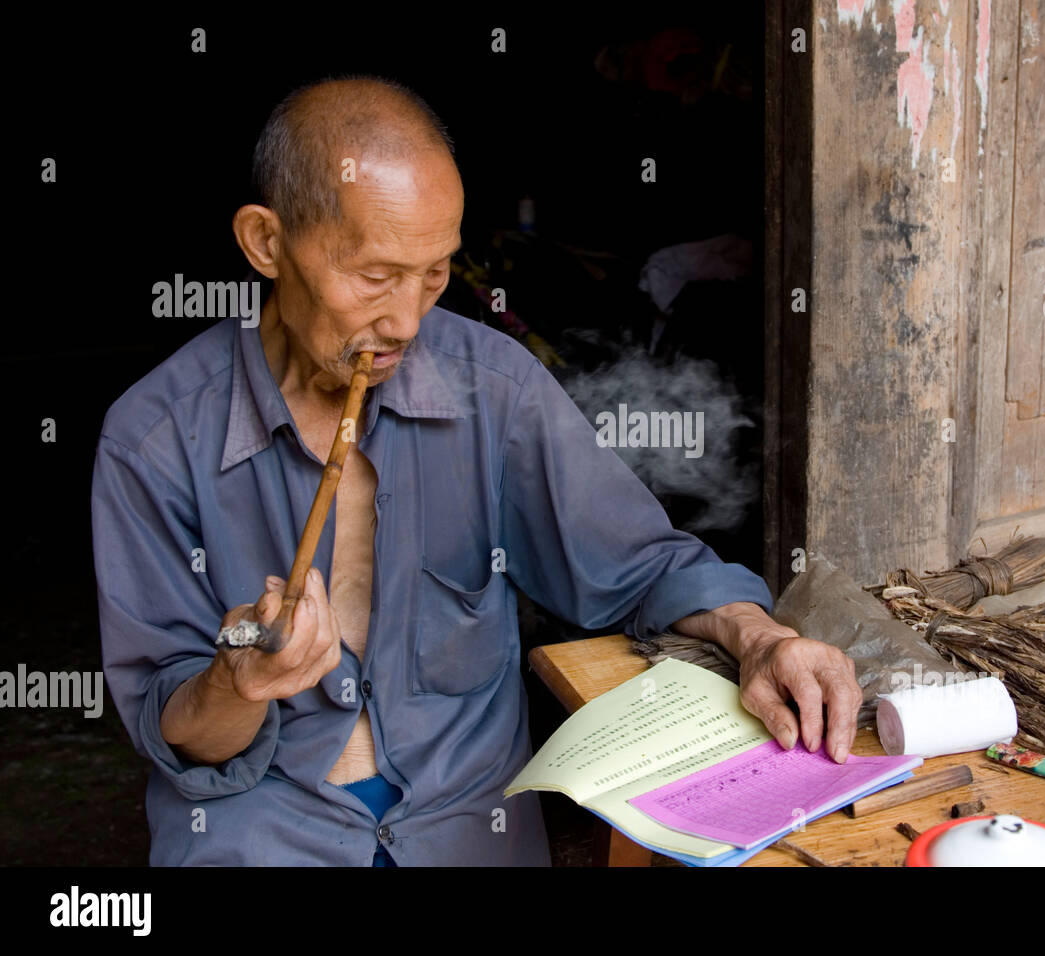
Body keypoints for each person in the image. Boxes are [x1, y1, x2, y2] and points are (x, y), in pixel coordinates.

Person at [91, 75, 860, 865]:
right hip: (263, 834)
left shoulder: (493, 387)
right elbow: (179, 733)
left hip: (466, 830)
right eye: (375, 276)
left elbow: (638, 568)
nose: (405, 322)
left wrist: (761, 637)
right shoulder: (154, 441)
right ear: (266, 242)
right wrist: (238, 683)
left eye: (433, 274)